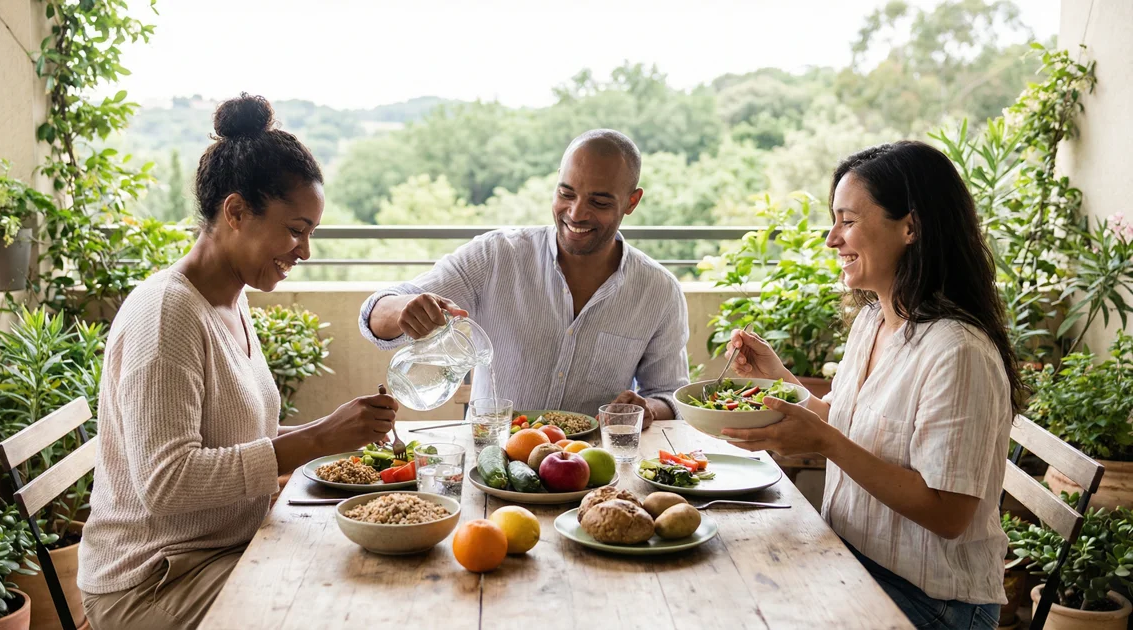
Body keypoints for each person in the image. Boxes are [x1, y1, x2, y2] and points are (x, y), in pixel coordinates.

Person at [77, 94, 398, 630]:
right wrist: (318, 438)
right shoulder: (167, 315)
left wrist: (340, 435)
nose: (305, 251)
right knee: (343, 607)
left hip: (223, 550)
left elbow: (239, 435)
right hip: (155, 581)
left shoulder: (230, 297)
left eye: (311, 233)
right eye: (296, 229)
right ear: (235, 212)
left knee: (368, 569)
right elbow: (166, 482)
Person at [722, 141, 1020, 629]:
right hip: (855, 561)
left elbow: (948, 514)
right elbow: (845, 423)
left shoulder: (958, 352)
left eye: (848, 220)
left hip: (932, 603)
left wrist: (825, 443)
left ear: (911, 227)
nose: (831, 238)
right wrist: (780, 379)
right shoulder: (872, 322)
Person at [359, 129, 688, 424]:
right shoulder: (496, 256)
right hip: (492, 462)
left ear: (632, 202)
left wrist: (647, 409)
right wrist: (405, 309)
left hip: (592, 469)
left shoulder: (659, 291)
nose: (576, 214)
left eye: (599, 201)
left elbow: (670, 394)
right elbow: (374, 315)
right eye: (566, 194)